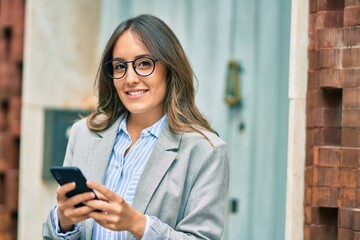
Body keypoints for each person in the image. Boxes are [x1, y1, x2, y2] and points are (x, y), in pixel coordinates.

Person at [42, 14, 229, 240]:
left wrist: (138, 224)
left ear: (169, 69)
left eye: (144, 64)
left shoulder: (205, 152)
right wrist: (64, 222)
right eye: (120, 66)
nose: (130, 78)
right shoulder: (84, 135)